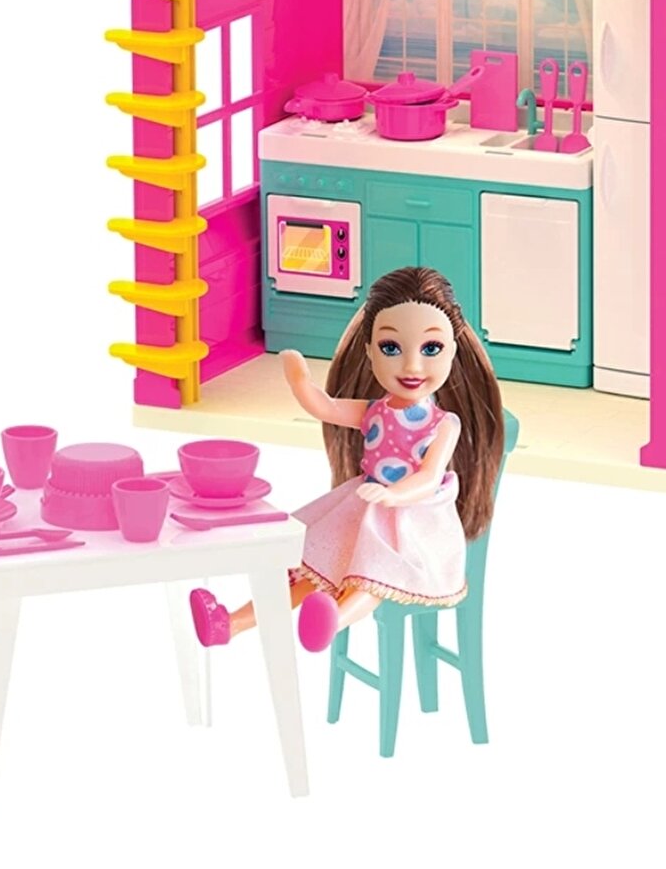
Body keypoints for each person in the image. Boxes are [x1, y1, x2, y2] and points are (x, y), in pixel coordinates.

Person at [190, 265, 505, 653]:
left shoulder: (443, 424)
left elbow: (428, 477)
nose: (412, 366)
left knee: (372, 576)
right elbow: (326, 408)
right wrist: (299, 381)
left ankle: (332, 622)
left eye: (431, 349)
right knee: (308, 571)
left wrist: (394, 495)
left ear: (453, 350)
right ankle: (230, 623)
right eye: (391, 348)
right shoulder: (374, 411)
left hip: (415, 521)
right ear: (370, 350)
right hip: (364, 507)